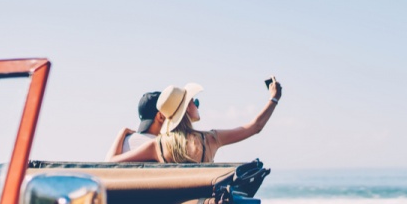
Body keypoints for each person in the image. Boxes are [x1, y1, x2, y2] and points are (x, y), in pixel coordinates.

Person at [111, 78, 282, 163]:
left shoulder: (158, 146)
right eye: (192, 101)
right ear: (185, 109)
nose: (196, 103)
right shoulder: (210, 139)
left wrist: (122, 133)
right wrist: (274, 98)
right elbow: (255, 127)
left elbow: (112, 163)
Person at [104, 91, 165, 161]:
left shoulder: (122, 144)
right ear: (160, 116)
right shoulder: (162, 146)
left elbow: (108, 162)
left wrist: (122, 132)